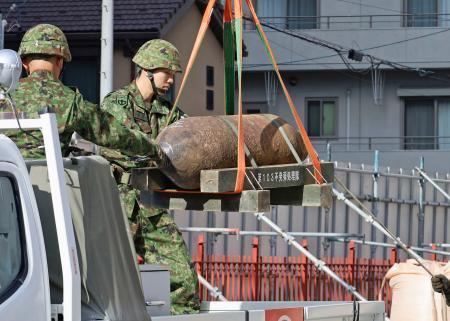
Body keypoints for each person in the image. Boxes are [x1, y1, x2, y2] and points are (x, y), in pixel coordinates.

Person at [100, 39, 200, 315]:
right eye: (166, 72)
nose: (171, 79)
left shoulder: (167, 112)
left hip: (150, 206)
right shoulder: (117, 104)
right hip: (118, 206)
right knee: (110, 282)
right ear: (146, 70)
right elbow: (124, 147)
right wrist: (162, 154)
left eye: (173, 74)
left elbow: (191, 138)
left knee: (184, 282)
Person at [4, 23, 164, 161]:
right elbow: (115, 134)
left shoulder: (3, 94)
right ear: (60, 61)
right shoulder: (70, 101)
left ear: (24, 63)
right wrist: (154, 149)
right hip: (46, 190)